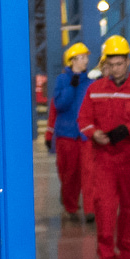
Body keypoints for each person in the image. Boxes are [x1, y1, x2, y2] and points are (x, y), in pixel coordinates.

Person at [79, 34, 130, 259]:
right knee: (105, 209)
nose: (115, 68)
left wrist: (129, 129)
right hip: (104, 159)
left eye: (119, 63)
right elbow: (84, 119)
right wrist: (94, 134)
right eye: (111, 64)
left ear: (128, 62)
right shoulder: (95, 90)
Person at [50, 41, 93, 222]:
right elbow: (59, 105)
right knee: (69, 174)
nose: (85, 61)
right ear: (72, 60)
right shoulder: (62, 80)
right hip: (66, 135)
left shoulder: (90, 82)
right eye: (81, 57)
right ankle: (71, 207)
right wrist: (71, 87)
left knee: (89, 174)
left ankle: (90, 210)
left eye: (86, 57)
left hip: (85, 135)